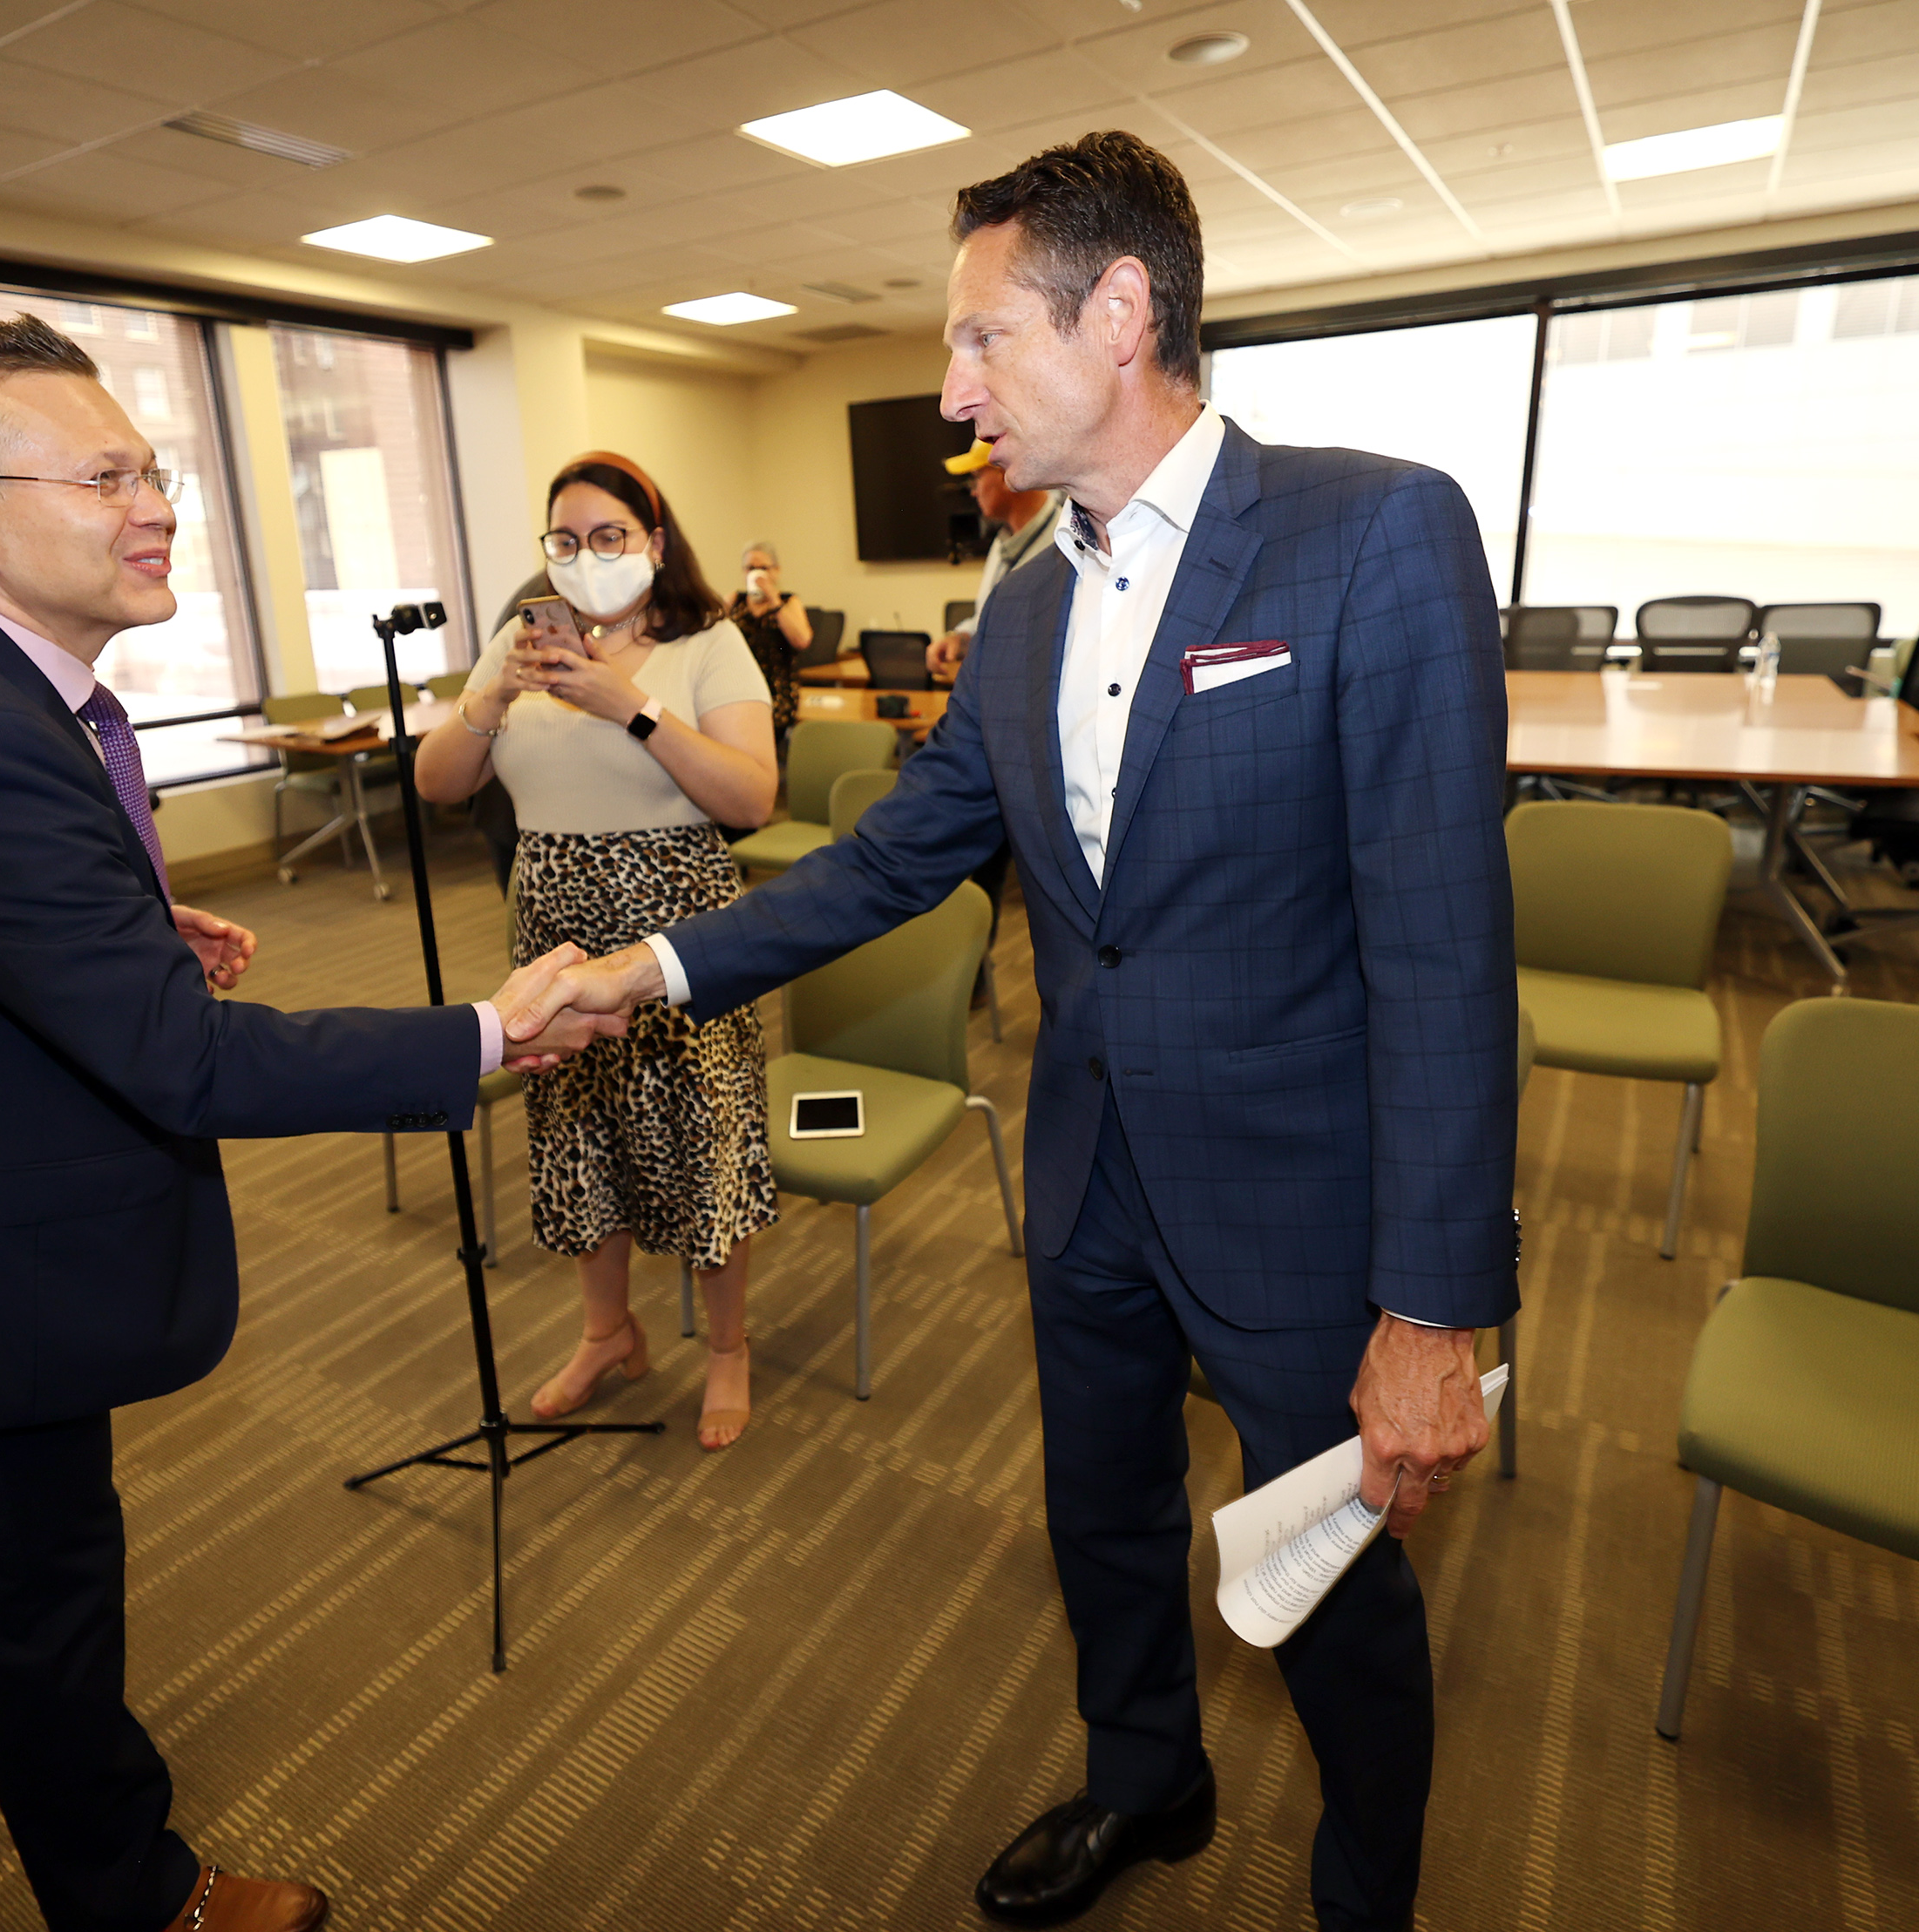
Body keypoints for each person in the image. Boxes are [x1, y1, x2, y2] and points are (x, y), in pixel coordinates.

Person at [512, 131, 1515, 1932]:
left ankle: (1370, 1890)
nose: (952, 384)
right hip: (1091, 1173)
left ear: (1120, 312)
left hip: (1302, 1196)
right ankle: (1149, 1779)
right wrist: (648, 969)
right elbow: (903, 849)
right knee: (1099, 1514)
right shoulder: (1033, 596)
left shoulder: (1376, 531)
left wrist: (1433, 1309)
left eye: (980, 338)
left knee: (1339, 1587)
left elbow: (1447, 952)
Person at [0, 313, 617, 1932]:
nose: (157, 505)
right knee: (46, 1590)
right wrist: (490, 1030)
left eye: (150, 469)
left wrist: (124, 930)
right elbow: (187, 1068)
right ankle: (140, 1899)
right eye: (105, 477)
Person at [415, 451, 779, 1452]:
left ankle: (727, 1350)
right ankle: (608, 1334)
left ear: (655, 545)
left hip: (680, 927)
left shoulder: (709, 647)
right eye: (566, 540)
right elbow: (439, 781)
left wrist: (631, 707)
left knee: (706, 1143)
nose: (587, 557)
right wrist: (490, 697)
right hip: (554, 925)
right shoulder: (521, 645)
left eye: (610, 536)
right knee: (582, 1143)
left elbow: (752, 798)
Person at [926, 444, 1059, 680]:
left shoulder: (1066, 541)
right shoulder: (1002, 542)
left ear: (1005, 472)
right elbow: (988, 621)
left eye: (977, 478)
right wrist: (961, 638)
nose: (974, 492)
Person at [728, 540, 812, 743]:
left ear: (776, 571)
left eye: (763, 568)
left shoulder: (789, 602)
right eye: (750, 568)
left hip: (778, 696)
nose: (756, 574)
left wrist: (774, 601)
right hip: (739, 692)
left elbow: (802, 640)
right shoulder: (734, 601)